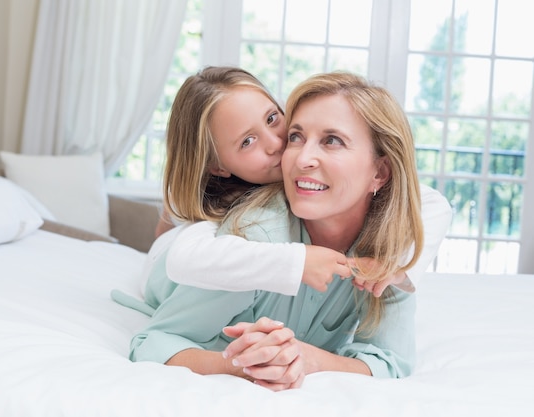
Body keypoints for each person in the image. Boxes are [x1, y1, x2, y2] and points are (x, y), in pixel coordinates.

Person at [125, 71, 427, 390]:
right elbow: (153, 342)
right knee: (182, 234)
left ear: (380, 172)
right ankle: (171, 217)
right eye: (296, 136)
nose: (296, 156)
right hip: (171, 262)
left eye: (332, 140)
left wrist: (311, 359)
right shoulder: (253, 238)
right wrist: (239, 366)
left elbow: (391, 361)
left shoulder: (391, 248)